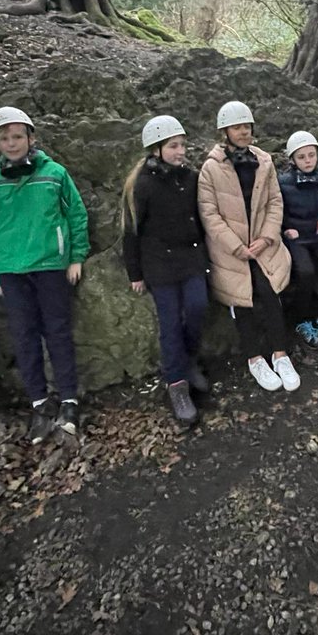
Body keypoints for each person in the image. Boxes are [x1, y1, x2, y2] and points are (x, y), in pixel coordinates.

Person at [0, 107, 89, 443]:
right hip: (10, 270)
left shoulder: (54, 173)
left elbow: (76, 214)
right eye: (4, 138)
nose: (12, 143)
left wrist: (76, 256)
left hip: (50, 266)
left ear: (31, 138)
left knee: (57, 331)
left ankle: (68, 398)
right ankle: (40, 400)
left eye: (18, 136)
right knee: (24, 336)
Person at [197, 101, 300, 392]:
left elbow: (274, 202)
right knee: (243, 298)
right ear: (225, 131)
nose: (243, 132)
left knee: (269, 292)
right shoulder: (210, 168)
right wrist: (236, 246)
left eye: (247, 126)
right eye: (237, 127)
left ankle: (280, 354)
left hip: (262, 244)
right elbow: (209, 213)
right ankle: (254, 358)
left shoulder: (264, 161)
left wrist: (267, 237)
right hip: (230, 251)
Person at [122, 115, 209, 428]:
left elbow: (200, 218)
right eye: (173, 146)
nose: (181, 151)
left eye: (182, 145)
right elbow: (131, 231)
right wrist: (135, 273)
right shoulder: (142, 185)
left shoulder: (190, 177)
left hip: (191, 258)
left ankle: (188, 361)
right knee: (170, 323)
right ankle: (177, 384)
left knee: (198, 307)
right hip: (160, 265)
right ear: (156, 149)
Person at [279, 131, 318, 351]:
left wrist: (313, 228)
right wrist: (303, 228)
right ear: (293, 160)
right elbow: (283, 216)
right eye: (301, 157)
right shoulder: (284, 183)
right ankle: (302, 320)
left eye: (311, 155)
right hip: (296, 239)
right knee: (305, 272)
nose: (308, 161)